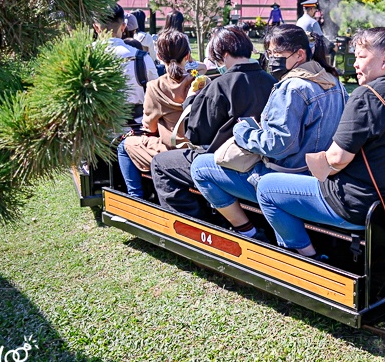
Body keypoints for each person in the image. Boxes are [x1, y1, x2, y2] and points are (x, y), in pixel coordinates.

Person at [256, 28, 385, 258]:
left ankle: (306, 258)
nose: (356, 64)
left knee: (267, 188)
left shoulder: (367, 95)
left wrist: (312, 163)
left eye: (361, 56)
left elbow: (336, 159)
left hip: (355, 204)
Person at [190, 25, 346, 239]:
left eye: (276, 54)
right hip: (318, 173)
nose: (271, 59)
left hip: (287, 175)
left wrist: (243, 132)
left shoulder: (293, 87)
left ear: (299, 54)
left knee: (200, 166)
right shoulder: (334, 81)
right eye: (269, 54)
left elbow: (280, 146)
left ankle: (248, 232)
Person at [150, 26, 276, 216]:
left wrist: (191, 100)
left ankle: (191, 225)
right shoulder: (271, 81)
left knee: (161, 163)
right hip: (262, 157)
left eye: (216, 59)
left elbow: (195, 135)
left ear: (224, 55)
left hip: (225, 159)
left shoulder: (221, 84)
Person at [116, 30, 193, 198]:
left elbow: (149, 128)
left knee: (124, 146)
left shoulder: (155, 87)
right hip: (195, 149)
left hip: (171, 150)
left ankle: (135, 198)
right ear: (187, 55)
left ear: (158, 56)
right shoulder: (200, 82)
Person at [103, 4, 159, 126]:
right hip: (136, 129)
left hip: (97, 133)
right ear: (123, 27)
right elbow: (157, 92)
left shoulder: (84, 55)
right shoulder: (142, 57)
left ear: (96, 27)